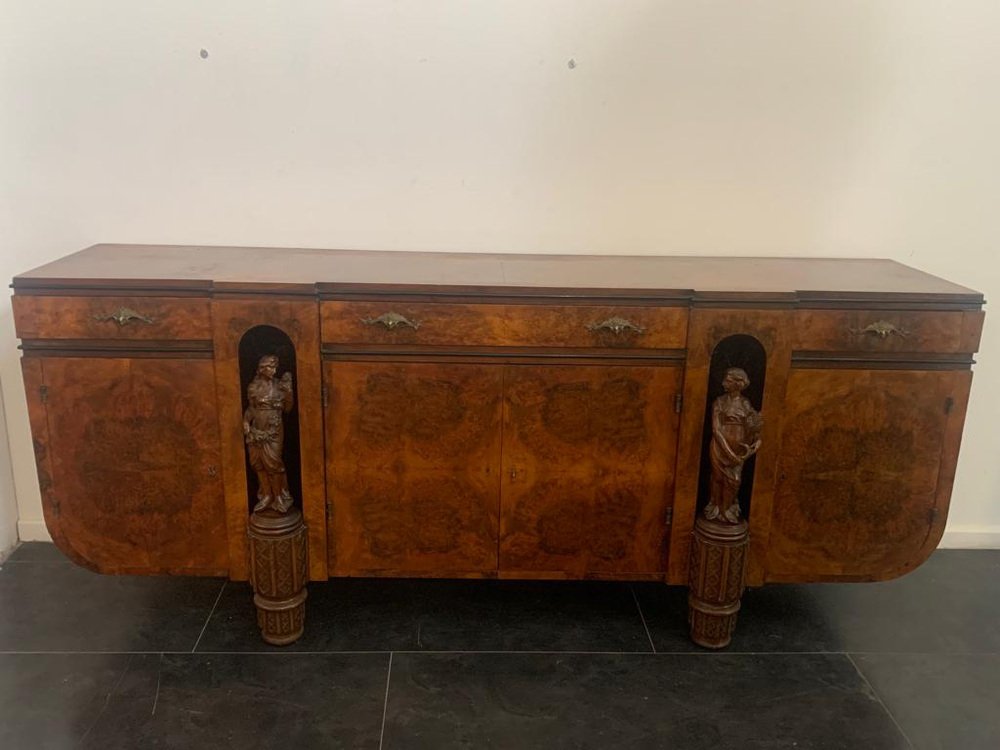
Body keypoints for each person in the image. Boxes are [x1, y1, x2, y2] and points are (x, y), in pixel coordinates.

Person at [706, 367, 762, 523]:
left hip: (739, 451)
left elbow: (753, 428)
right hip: (719, 447)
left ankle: (727, 508)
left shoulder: (745, 403)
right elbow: (716, 430)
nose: (724, 383)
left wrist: (756, 442)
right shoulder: (719, 402)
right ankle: (716, 507)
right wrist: (729, 452)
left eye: (729, 381)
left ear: (739, 383)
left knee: (734, 480)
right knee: (717, 478)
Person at [243, 354, 295, 513]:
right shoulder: (253, 387)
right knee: (258, 464)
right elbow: (251, 409)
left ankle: (279, 496)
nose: (273, 370)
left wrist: (289, 393)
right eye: (269, 367)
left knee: (274, 463)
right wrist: (246, 422)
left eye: (274, 367)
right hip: (256, 430)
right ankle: (266, 495)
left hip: (274, 430)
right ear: (261, 369)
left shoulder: (280, 386)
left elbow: (287, 409)